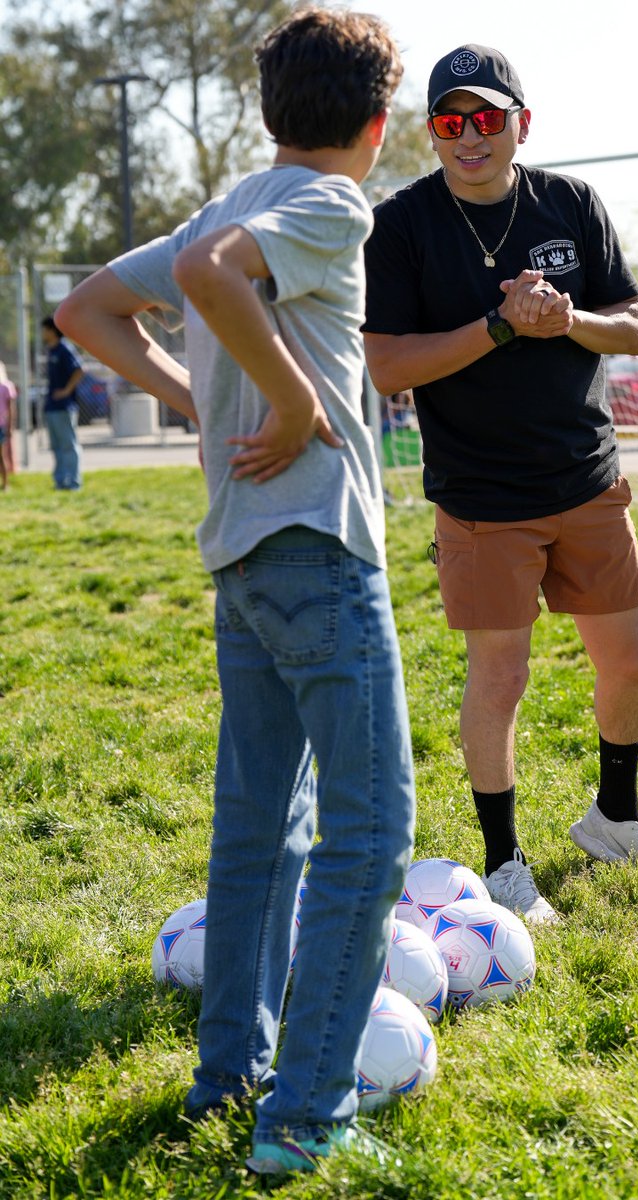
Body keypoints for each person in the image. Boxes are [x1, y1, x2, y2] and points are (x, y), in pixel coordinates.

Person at [55, 7, 414, 1176]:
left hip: (242, 560)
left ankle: (228, 1076)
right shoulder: (328, 202)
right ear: (376, 123)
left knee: (265, 824)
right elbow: (211, 281)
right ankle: (306, 1108)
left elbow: (85, 312)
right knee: (371, 827)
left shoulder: (229, 204)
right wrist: (298, 401)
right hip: (317, 543)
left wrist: (195, 396)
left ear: (271, 112)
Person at [363, 44, 638, 927]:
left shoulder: (571, 203)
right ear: (434, 134)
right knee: (500, 678)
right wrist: (499, 327)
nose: (470, 136)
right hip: (481, 496)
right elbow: (386, 366)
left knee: (628, 658)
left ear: (519, 125)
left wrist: (564, 319)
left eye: (488, 118)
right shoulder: (402, 224)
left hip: (586, 477)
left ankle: (616, 817)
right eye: (452, 122)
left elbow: (635, 330)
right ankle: (503, 866)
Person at [40, 316, 83, 490]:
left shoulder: (65, 348)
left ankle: (73, 482)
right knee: (56, 446)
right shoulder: (51, 350)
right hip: (51, 406)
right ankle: (60, 481)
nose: (42, 333)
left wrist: (66, 391)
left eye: (44, 329)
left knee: (68, 445)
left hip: (64, 407)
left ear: (52, 330)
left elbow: (79, 370)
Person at [0, 360, 16, 490]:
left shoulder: (5, 386)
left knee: (1, 456)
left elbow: (10, 409)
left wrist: (10, 426)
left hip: (1, 425)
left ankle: (5, 483)